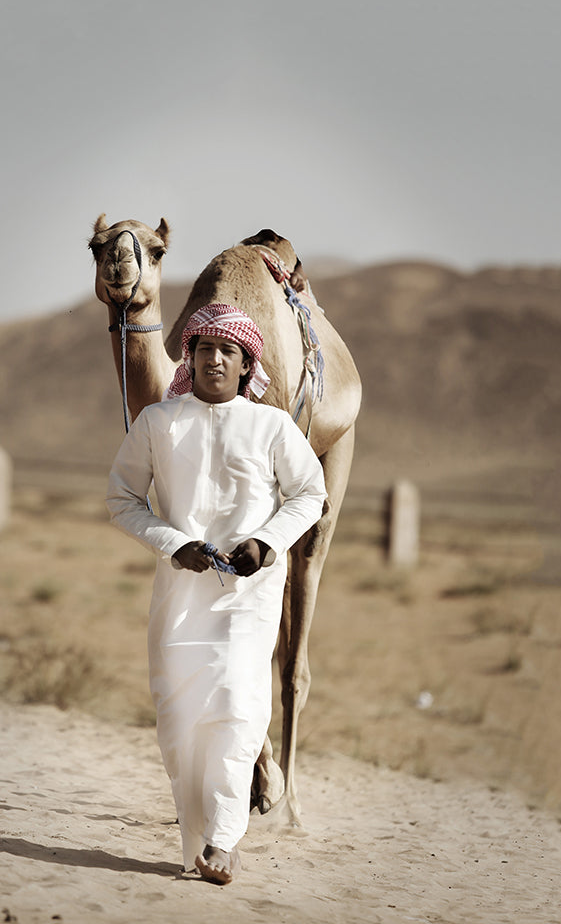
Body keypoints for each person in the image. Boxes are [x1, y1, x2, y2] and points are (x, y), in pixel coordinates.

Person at [106, 303, 326, 884]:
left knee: (235, 705)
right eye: (204, 349)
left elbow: (310, 494)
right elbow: (122, 499)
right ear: (191, 358)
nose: (214, 358)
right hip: (179, 597)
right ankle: (197, 842)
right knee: (179, 718)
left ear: (247, 362)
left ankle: (225, 840)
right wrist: (172, 542)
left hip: (247, 596)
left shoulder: (272, 426)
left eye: (227, 350)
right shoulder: (158, 422)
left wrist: (268, 541)